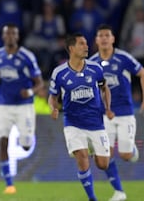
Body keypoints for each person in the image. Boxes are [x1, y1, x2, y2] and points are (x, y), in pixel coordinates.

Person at [48, 33, 114, 201]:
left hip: (96, 122)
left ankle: (92, 149)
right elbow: (52, 96)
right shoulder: (59, 73)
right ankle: (92, 198)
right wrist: (53, 108)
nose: (86, 47)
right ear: (71, 48)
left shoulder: (95, 69)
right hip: (73, 123)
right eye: (82, 44)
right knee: (82, 158)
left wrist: (108, 107)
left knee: (103, 164)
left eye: (86, 43)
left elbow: (105, 88)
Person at [0, 23, 44, 194]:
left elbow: (40, 82)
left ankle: (28, 137)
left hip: (23, 106)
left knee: (26, 145)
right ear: (3, 36)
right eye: (7, 34)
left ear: (17, 37)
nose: (10, 36)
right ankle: (9, 184)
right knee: (3, 141)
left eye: (13, 33)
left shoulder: (27, 56)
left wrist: (30, 91)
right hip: (2, 104)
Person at [89, 24, 143, 201]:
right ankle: (119, 192)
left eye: (107, 35)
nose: (104, 38)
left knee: (126, 155)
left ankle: (132, 150)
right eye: (101, 35)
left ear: (113, 39)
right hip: (105, 116)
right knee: (105, 157)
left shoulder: (123, 58)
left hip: (125, 113)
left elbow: (142, 73)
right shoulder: (93, 63)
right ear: (96, 40)